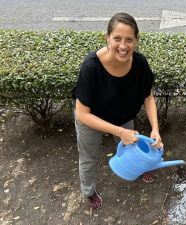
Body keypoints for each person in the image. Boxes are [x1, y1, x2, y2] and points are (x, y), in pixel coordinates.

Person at [72, 12, 163, 210]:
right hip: (92, 120)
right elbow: (81, 114)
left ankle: (136, 169)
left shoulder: (140, 63)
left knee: (133, 147)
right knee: (88, 158)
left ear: (136, 41)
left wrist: (155, 129)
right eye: (117, 38)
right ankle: (88, 191)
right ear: (107, 38)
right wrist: (120, 132)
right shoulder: (91, 67)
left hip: (123, 117)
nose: (123, 46)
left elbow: (148, 97)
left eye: (129, 39)